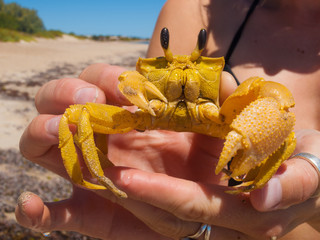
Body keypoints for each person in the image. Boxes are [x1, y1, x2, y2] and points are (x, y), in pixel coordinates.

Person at [16, 0, 320, 239]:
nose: (182, 80)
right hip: (147, 181)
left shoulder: (249, 103)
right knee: (78, 113)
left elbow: (283, 129)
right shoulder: (193, 8)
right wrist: (103, 176)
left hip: (220, 122)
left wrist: (311, 204)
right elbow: (110, 109)